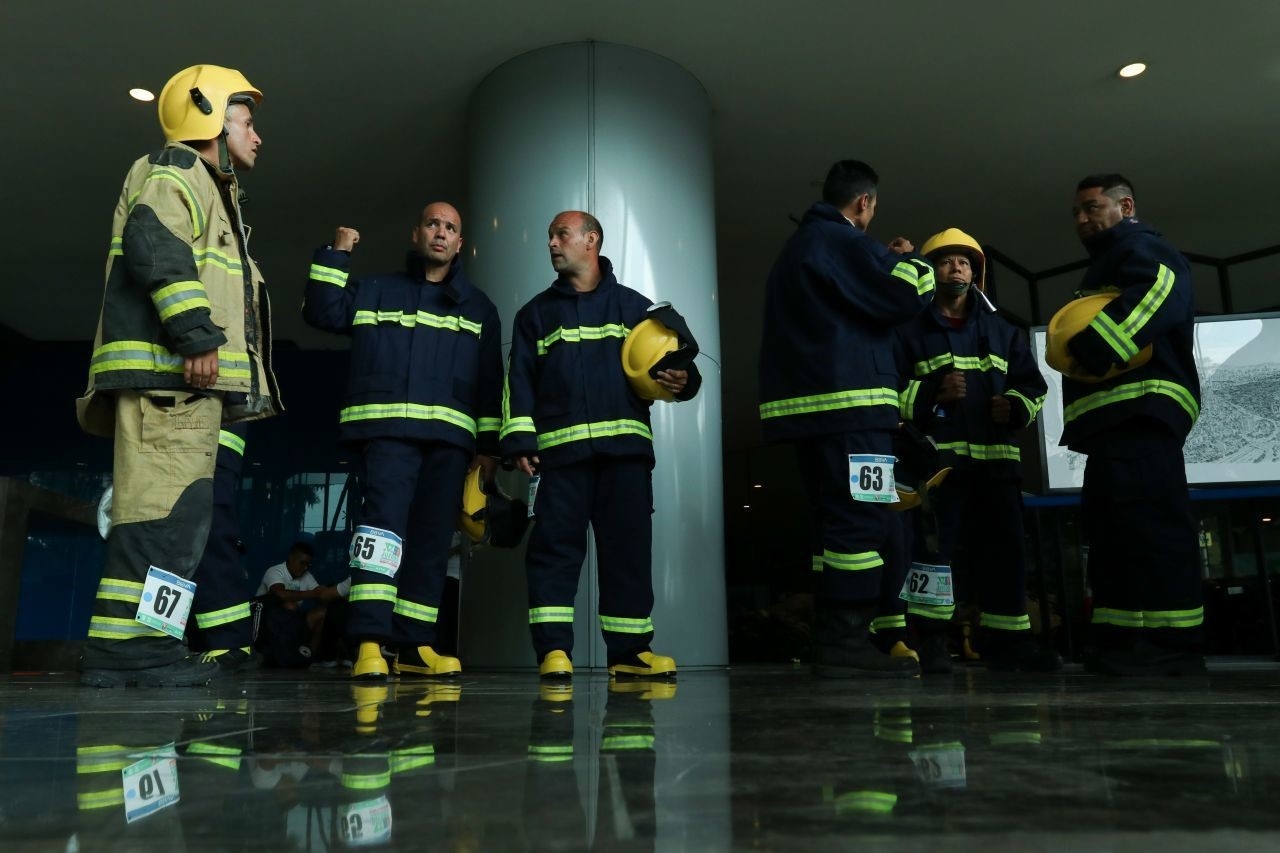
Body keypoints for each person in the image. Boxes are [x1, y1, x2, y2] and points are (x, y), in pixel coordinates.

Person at [76, 64, 281, 688]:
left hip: (182, 390)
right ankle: (130, 654)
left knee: (177, 518)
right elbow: (155, 248)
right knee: (160, 516)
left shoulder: (204, 187)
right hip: (170, 382)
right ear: (210, 118)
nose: (257, 135)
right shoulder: (177, 172)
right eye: (246, 121)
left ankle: (142, 648)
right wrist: (196, 335)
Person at [303, 203, 504, 680]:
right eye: (433, 224)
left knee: (433, 544)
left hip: (450, 444)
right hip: (387, 435)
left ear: (459, 243)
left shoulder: (479, 308)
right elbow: (322, 311)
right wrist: (338, 253)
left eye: (451, 227)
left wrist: (489, 451)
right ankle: (370, 643)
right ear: (417, 234)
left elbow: (490, 384)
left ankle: (414, 646)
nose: (441, 232)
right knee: (380, 537)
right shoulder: (375, 289)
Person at [502, 211, 702, 679]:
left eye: (561, 235)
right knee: (553, 552)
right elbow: (518, 383)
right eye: (550, 235)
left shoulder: (635, 308)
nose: (552, 243)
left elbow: (677, 366)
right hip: (560, 456)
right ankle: (554, 653)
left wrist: (683, 379)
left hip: (625, 456)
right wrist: (520, 440)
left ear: (591, 240)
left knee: (628, 553)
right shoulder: (533, 314)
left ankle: (631, 654)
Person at [758, 159, 934, 678]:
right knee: (865, 518)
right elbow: (901, 298)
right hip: (852, 411)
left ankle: (835, 637)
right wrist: (911, 260)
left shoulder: (797, 250)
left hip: (811, 416)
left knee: (832, 525)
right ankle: (846, 641)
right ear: (864, 203)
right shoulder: (844, 242)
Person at [894, 228, 1060, 673]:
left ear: (976, 272)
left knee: (1005, 554)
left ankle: (1010, 645)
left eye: (965, 261)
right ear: (930, 272)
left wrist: (1017, 407)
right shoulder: (907, 330)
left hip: (997, 466)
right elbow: (887, 392)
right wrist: (931, 392)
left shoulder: (1003, 330)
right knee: (933, 555)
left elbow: (1034, 386)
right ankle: (930, 643)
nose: (957, 267)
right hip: (936, 468)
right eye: (946, 260)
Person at [1059, 174, 1202, 675]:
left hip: (1143, 410)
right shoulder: (1106, 263)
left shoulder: (1141, 246)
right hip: (1116, 423)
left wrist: (1098, 344)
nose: (1081, 219)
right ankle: (1123, 638)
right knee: (1114, 532)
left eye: (1092, 207)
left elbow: (1163, 290)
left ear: (1127, 205)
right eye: (1076, 212)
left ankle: (1170, 644)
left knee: (1150, 527)